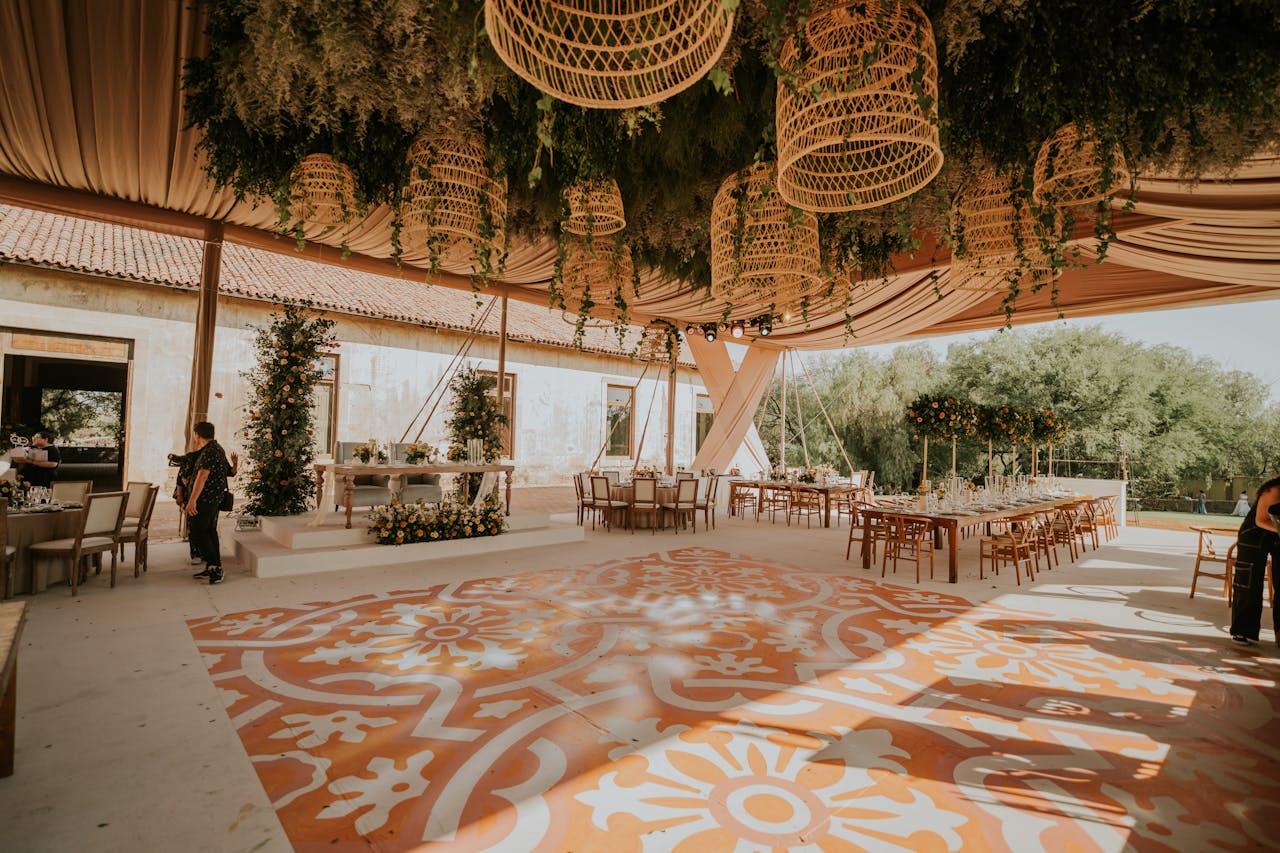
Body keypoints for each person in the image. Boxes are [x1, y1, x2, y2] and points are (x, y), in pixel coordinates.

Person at [1229, 476, 1280, 646]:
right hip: (1253, 535)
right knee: (1249, 582)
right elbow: (1261, 520)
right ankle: (1243, 631)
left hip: (1276, 536)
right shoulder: (1275, 490)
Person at [184, 421, 232, 585]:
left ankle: (216, 568)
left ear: (197, 435)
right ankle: (213, 565)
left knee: (197, 531)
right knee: (209, 530)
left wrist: (192, 501)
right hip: (210, 499)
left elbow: (202, 476)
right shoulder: (215, 449)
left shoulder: (210, 451)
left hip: (206, 499)